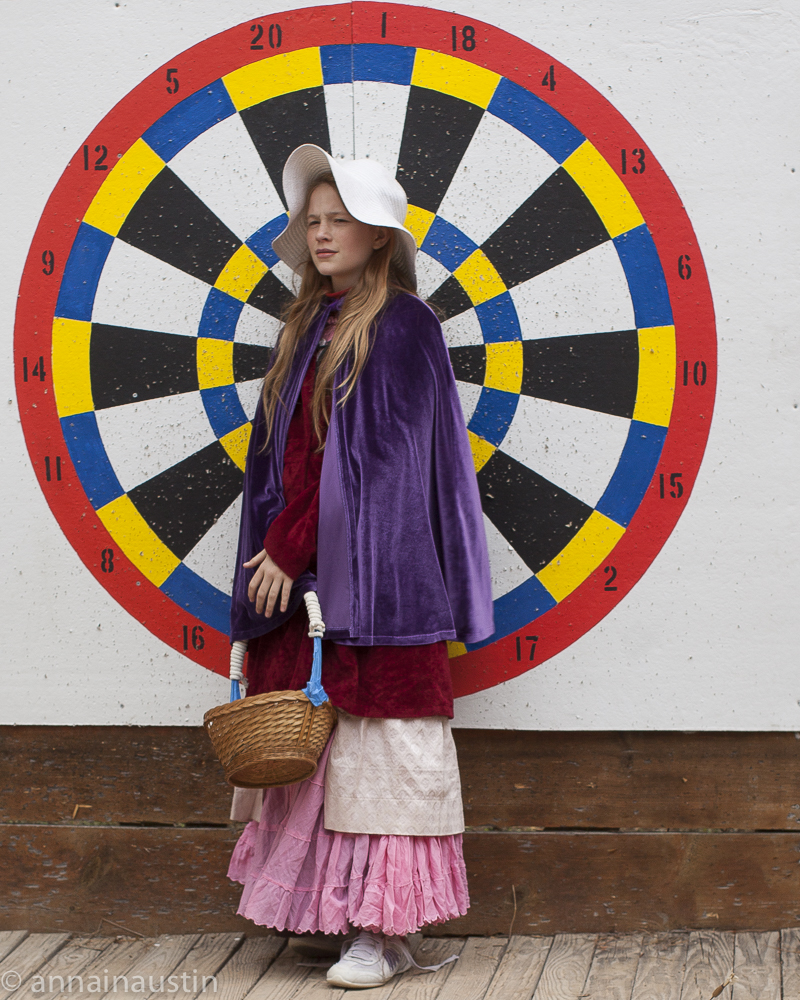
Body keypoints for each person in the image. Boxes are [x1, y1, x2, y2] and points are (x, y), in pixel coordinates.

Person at [226, 144, 494, 990]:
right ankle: (345, 916)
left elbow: (377, 463)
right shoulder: (307, 325)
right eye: (314, 221)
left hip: (377, 580)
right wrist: (280, 554)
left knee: (381, 751)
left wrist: (289, 544)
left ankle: (382, 930)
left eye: (341, 219)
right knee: (323, 750)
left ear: (381, 236)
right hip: (304, 583)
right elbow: (288, 459)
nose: (324, 232)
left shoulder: (404, 325)